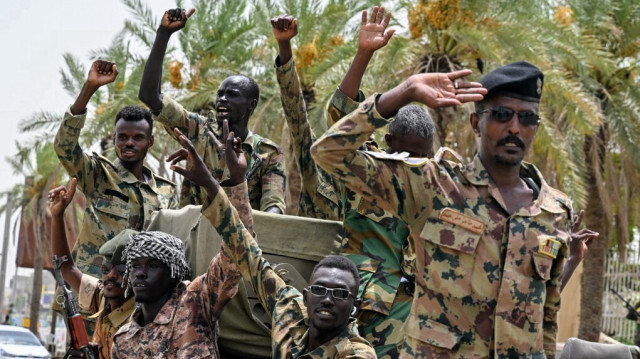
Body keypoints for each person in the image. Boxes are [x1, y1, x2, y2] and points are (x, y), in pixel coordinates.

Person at [310, 61, 584, 357]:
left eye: (527, 118)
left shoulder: (555, 211)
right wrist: (406, 91)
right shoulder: (434, 186)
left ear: (536, 127)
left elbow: (546, 317)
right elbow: (328, 153)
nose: (515, 128)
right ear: (476, 123)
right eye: (502, 115)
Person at [272, 8, 433, 357]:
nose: (411, 166)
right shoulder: (365, 170)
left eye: (420, 158)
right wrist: (363, 54)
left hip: (405, 313)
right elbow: (341, 114)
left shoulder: (433, 184)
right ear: (388, 144)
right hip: (355, 303)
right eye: (404, 156)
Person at [168, 122, 376, 358]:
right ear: (306, 296)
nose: (327, 299)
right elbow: (246, 252)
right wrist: (220, 183)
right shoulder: (290, 309)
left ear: (354, 308)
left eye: (340, 294)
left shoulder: (357, 354)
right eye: (319, 289)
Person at [139, 8, 285, 214]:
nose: (222, 99)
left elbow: (274, 205)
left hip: (242, 240)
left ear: (251, 105)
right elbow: (149, 96)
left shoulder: (268, 154)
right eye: (220, 94)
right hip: (195, 236)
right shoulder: (198, 130)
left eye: (232, 94)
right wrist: (164, 34)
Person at [54, 60, 178, 278]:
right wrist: (89, 88)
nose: (129, 143)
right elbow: (65, 147)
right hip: (92, 293)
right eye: (123, 137)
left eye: (138, 137)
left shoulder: (166, 192)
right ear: (114, 140)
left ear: (151, 142)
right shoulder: (98, 175)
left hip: (137, 296)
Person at [110, 226, 242, 357]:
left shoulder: (195, 303)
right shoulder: (123, 341)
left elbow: (230, 262)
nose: (140, 273)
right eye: (135, 266)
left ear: (173, 274)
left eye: (153, 266)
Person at [48, 178, 135, 359]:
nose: (111, 275)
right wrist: (57, 217)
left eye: (120, 269)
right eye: (106, 268)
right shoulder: (102, 297)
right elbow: (67, 268)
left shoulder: (140, 317)